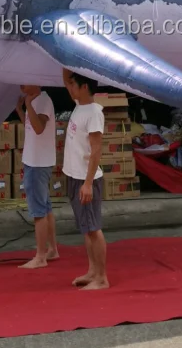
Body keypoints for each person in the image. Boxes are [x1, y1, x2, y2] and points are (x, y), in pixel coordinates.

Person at [61, 68, 109, 290]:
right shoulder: (80, 105)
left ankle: (102, 278)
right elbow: (66, 80)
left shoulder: (93, 113)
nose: (68, 88)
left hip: (86, 179)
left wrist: (88, 183)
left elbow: (96, 150)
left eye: (73, 84)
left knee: (93, 228)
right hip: (74, 175)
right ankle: (92, 271)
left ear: (84, 87)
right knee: (85, 228)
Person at [14, 84, 59, 269]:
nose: (21, 85)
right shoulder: (35, 101)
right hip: (35, 160)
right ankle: (52, 249)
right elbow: (30, 125)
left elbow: (39, 128)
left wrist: (28, 105)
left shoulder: (43, 100)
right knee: (45, 207)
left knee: (38, 210)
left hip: (38, 162)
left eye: (25, 82)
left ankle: (40, 256)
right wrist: (21, 109)